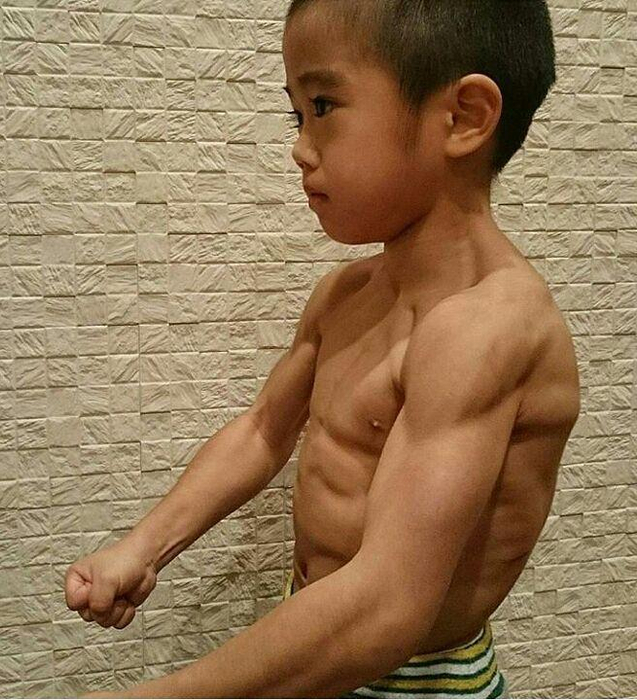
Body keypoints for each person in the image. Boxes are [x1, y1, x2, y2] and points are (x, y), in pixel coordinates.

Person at [65, 0, 581, 697]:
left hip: (413, 677)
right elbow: (261, 432)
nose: (300, 148)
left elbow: (387, 605)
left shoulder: (489, 328)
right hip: (313, 641)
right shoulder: (346, 294)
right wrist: (144, 546)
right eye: (296, 115)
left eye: (324, 106)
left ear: (463, 118)